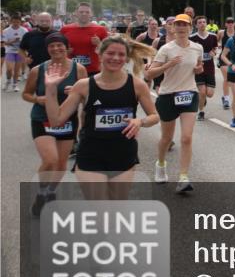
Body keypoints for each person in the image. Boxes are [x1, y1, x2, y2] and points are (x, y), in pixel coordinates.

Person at [41, 36, 159, 200]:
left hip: (123, 153)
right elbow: (56, 120)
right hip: (91, 153)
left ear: (126, 58)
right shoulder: (83, 85)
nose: (115, 58)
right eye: (110, 53)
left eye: (121, 55)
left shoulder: (137, 85)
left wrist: (140, 121)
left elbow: (154, 116)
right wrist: (51, 89)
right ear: (100, 54)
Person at [22, 34, 88, 216]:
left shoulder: (79, 69)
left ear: (67, 48)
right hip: (42, 118)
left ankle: (49, 192)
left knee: (60, 164)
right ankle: (41, 192)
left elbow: (86, 96)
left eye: (60, 45)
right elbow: (26, 94)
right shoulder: (38, 70)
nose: (56, 49)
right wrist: (38, 99)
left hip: (67, 120)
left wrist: (77, 94)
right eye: (52, 46)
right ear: (47, 49)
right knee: (50, 160)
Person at [146, 14, 203, 193]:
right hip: (168, 96)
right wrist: (167, 65)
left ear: (189, 28)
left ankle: (183, 177)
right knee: (167, 138)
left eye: (184, 25)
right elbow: (150, 74)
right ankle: (161, 164)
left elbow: (199, 66)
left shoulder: (197, 48)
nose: (181, 28)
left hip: (189, 93)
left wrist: (198, 69)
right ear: (173, 28)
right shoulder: (166, 49)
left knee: (186, 137)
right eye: (177, 25)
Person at [189, 15, 219, 121]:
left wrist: (214, 52)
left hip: (209, 67)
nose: (202, 24)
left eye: (204, 22)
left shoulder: (212, 36)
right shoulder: (192, 38)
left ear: (206, 24)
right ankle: (201, 112)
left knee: (209, 94)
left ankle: (203, 98)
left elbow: (215, 47)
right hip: (198, 67)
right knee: (202, 92)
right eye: (200, 22)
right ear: (196, 25)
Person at [3, 13, 30, 90]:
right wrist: (13, 40)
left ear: (20, 22)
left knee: (17, 70)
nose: (16, 24)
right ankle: (8, 81)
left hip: (20, 52)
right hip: (10, 51)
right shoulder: (6, 31)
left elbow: (27, 42)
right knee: (9, 69)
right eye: (14, 22)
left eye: (17, 22)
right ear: (11, 21)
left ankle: (15, 84)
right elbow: (4, 43)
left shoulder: (24, 30)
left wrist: (22, 42)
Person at [217, 17, 235, 109]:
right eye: (228, 22)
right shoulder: (221, 33)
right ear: (225, 24)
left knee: (233, 80)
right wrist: (217, 46)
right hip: (223, 57)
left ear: (234, 23)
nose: (230, 24)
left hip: (234, 59)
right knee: (227, 78)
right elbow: (215, 42)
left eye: (231, 22)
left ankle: (229, 97)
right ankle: (226, 99)